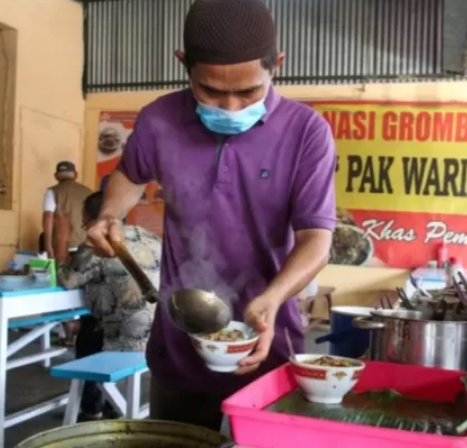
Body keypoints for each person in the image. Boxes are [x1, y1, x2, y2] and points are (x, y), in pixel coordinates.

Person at [85, 0, 335, 431]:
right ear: (183, 63)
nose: (231, 107)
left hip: (266, 341)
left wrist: (273, 298)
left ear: (277, 64)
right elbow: (129, 175)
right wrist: (110, 213)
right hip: (179, 342)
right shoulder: (159, 118)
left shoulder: (305, 132)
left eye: (249, 92)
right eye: (211, 92)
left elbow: (317, 239)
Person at [57, 191, 161, 421]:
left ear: (94, 221)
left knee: (90, 329)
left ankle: (92, 409)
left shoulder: (97, 244)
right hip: (160, 334)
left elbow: (66, 279)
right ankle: (104, 401)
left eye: (84, 223)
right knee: (98, 320)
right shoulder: (149, 236)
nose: (85, 228)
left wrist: (61, 238)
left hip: (130, 340)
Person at [43, 161, 93, 262]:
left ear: (56, 176)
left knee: (61, 271)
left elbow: (48, 216)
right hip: (85, 245)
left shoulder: (52, 191)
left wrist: (48, 246)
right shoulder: (89, 192)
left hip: (61, 245)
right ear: (76, 175)